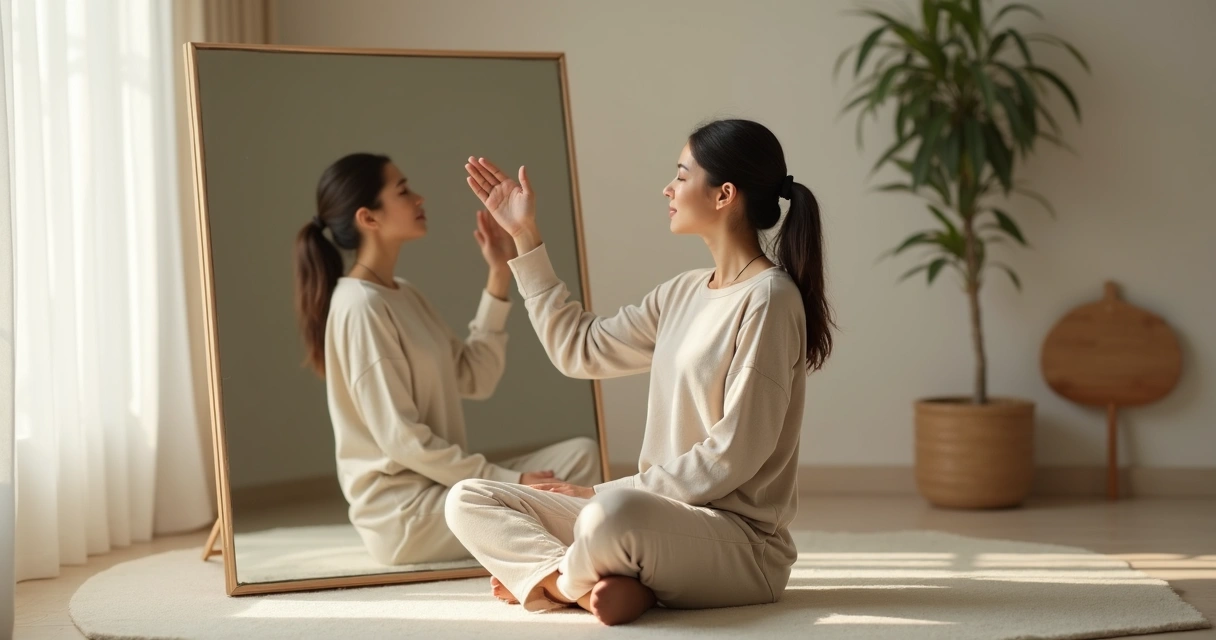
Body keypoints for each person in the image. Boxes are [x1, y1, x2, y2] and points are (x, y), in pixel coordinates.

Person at [445, 119, 834, 625]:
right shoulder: (682, 292)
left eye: (681, 175)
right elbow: (578, 350)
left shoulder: (770, 299)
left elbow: (733, 456)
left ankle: (558, 582)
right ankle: (599, 589)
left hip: (739, 543)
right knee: (468, 498)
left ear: (724, 195)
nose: (667, 189)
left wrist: (597, 494)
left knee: (611, 515)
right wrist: (525, 235)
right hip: (659, 522)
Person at [292, 152, 601, 566]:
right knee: (562, 499)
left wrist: (498, 274)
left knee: (582, 456)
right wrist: (510, 481)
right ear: (369, 218)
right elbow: (402, 440)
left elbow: (477, 378)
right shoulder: (359, 306)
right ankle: (578, 555)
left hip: (446, 488)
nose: (419, 198)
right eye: (403, 190)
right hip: (407, 515)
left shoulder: (402, 292)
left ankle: (564, 542)